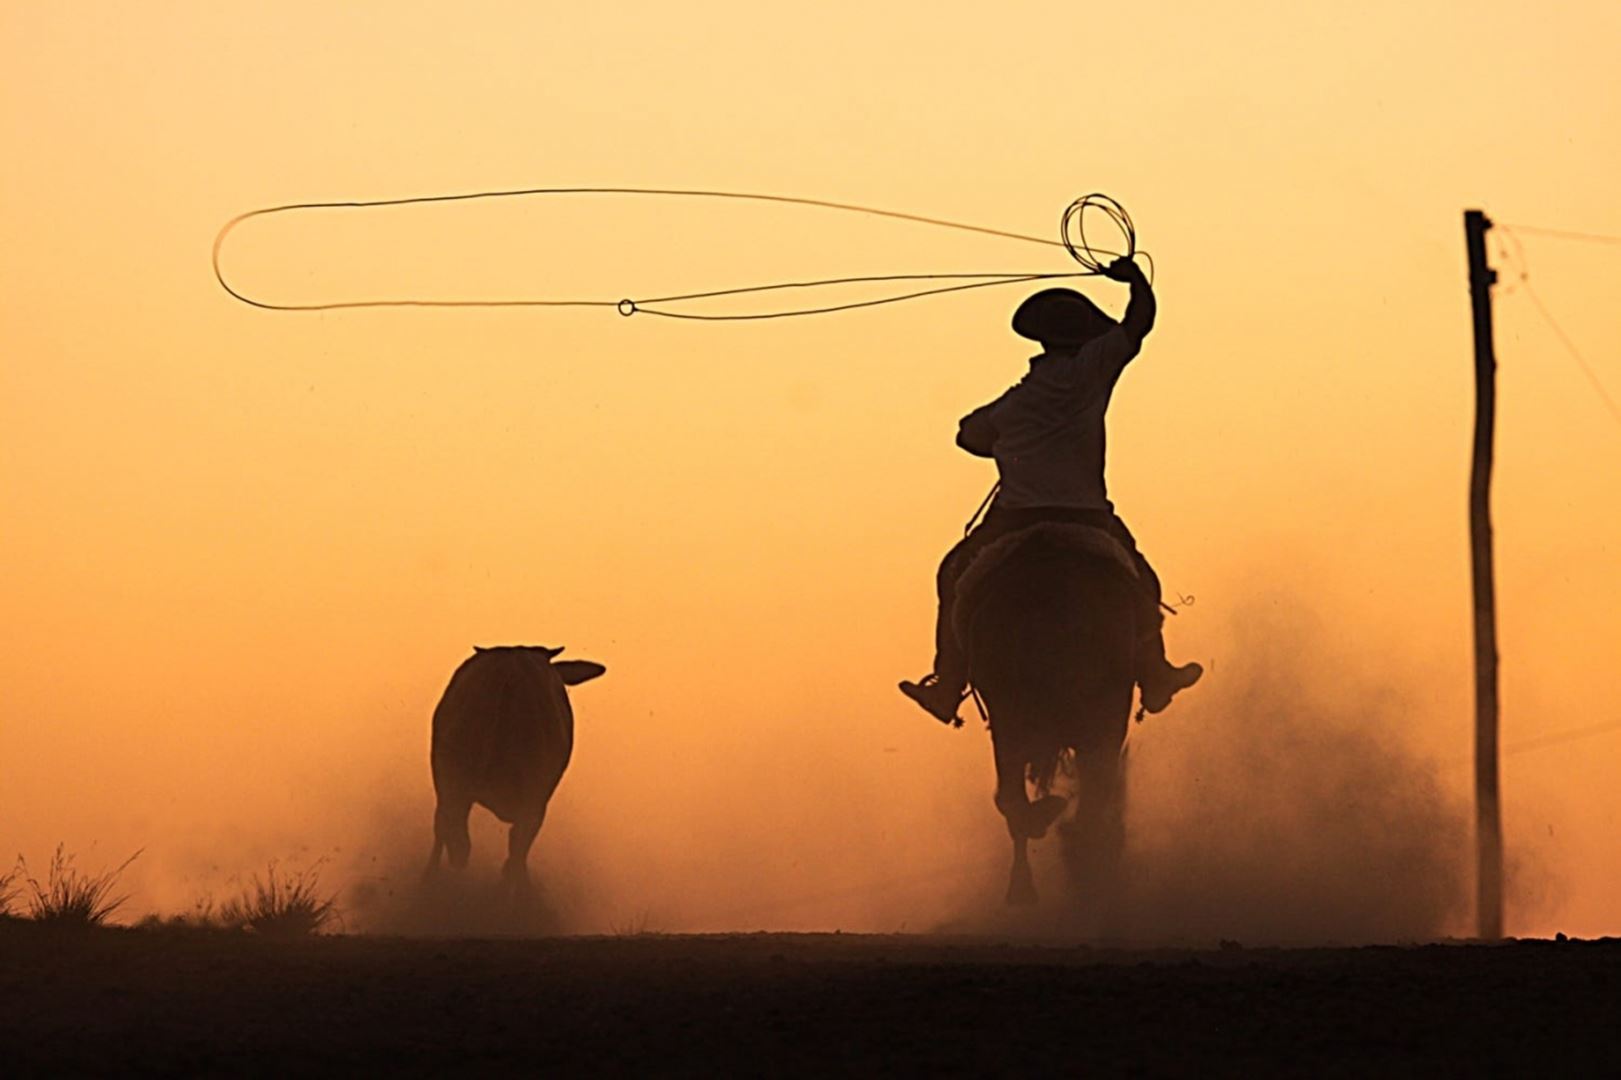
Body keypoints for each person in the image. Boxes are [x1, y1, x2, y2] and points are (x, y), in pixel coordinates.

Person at [899, 256, 1202, 725]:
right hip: (1086, 517)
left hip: (1015, 520)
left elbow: (967, 434)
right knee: (1143, 581)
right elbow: (1139, 323)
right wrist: (1135, 280)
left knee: (952, 575)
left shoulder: (1018, 400)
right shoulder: (1092, 372)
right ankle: (1155, 672)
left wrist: (1008, 443)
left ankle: (949, 683)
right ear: (1084, 337)